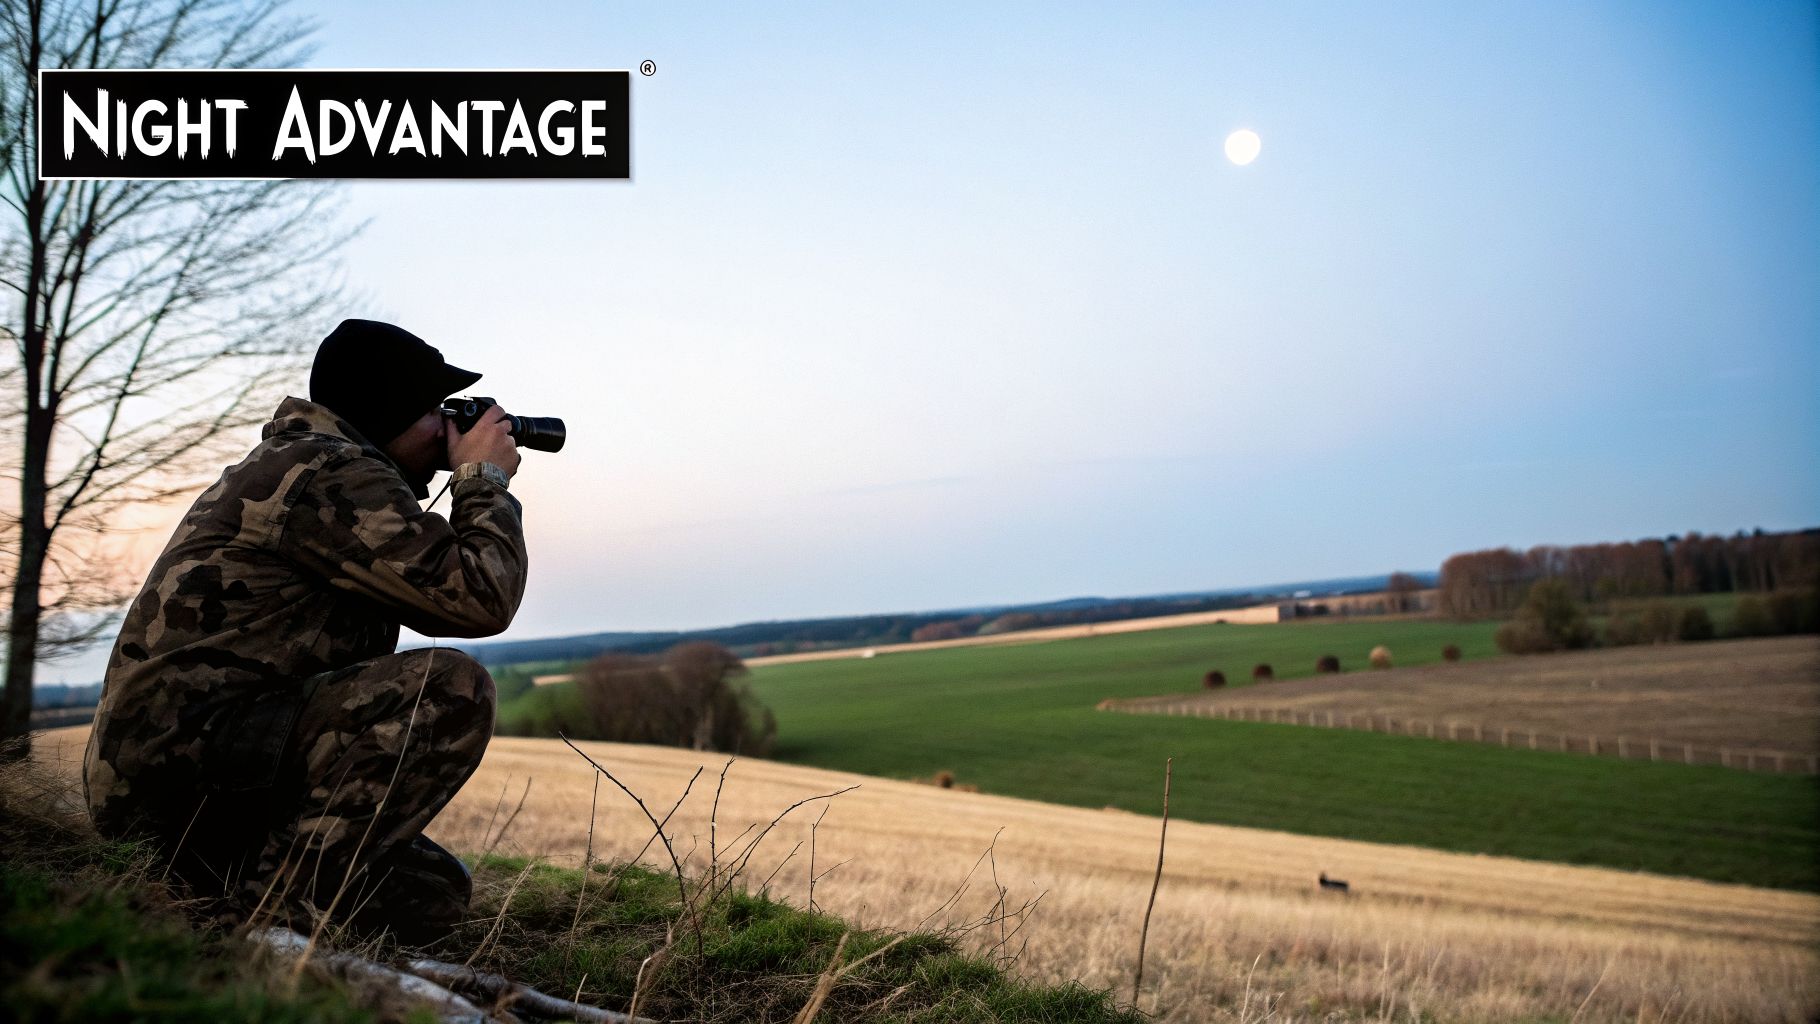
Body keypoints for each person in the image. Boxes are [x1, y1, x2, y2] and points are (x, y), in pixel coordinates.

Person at [82, 319, 528, 944]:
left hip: (209, 763)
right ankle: (266, 931)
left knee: (430, 896)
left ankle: (211, 893)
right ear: (386, 409)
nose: (446, 430)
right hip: (180, 772)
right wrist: (483, 480)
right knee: (450, 688)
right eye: (435, 411)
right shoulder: (328, 470)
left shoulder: (309, 463)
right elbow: (479, 598)